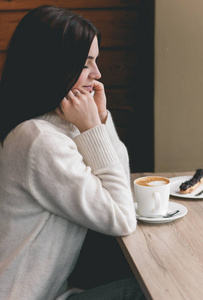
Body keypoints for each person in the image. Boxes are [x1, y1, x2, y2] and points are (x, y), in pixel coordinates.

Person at [0, 5, 146, 300]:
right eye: (85, 63)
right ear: (54, 66)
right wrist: (94, 130)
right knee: (158, 290)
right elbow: (122, 217)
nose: (98, 73)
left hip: (53, 293)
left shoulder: (56, 127)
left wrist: (101, 122)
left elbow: (120, 185)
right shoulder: (39, 140)